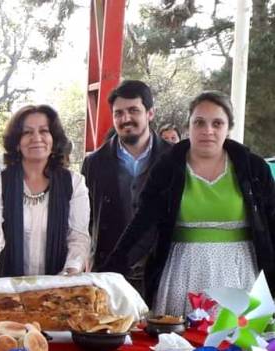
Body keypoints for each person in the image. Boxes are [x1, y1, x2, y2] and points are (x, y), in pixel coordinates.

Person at [102, 91, 275, 316]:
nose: (208, 131)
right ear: (189, 126)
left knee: (236, 346)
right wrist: (108, 273)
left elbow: (271, 220)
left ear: (228, 128)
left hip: (240, 273)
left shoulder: (254, 168)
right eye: (199, 122)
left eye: (217, 123)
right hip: (181, 274)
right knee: (181, 345)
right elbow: (142, 223)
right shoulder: (167, 168)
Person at [0, 105, 90, 280]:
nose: (36, 138)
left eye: (44, 131)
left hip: (60, 284)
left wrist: (71, 271)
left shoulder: (74, 183)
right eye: (27, 132)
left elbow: (78, 237)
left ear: (54, 139)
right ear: (17, 143)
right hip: (8, 286)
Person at [81, 80, 171, 294]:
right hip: (109, 273)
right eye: (118, 113)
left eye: (133, 110)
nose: (125, 119)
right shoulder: (94, 163)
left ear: (150, 113)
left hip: (162, 272)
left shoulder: (174, 158)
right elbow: (85, 219)